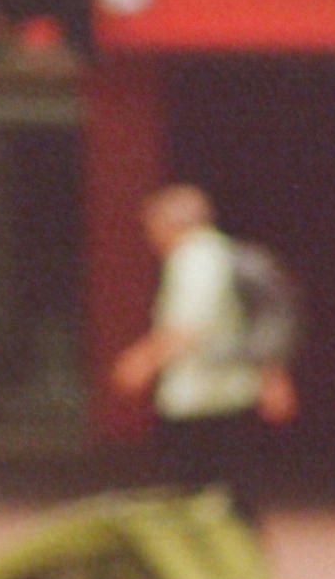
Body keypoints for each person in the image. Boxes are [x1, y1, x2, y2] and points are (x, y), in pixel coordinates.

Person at [100, 176, 291, 511]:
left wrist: (143, 361)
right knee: (230, 489)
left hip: (205, 395)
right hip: (226, 390)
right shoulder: (218, 253)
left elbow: (188, 325)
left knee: (195, 494)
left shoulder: (195, 259)